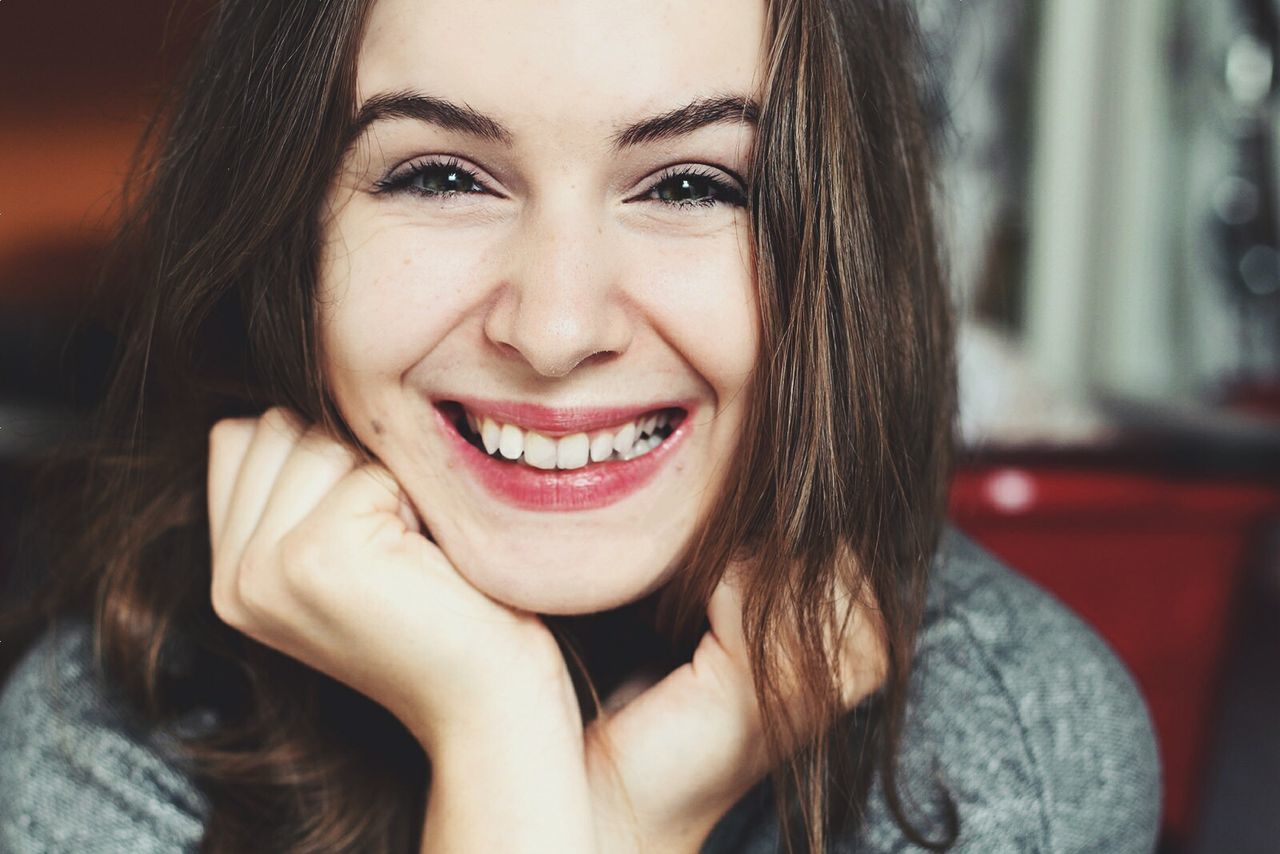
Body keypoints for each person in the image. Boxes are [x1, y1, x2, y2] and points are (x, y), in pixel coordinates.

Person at [0, 0, 1161, 851]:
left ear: (837, 256)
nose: (555, 328)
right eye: (443, 176)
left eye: (692, 185)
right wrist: (502, 730)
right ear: (283, 234)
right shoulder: (105, 743)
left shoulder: (996, 740)